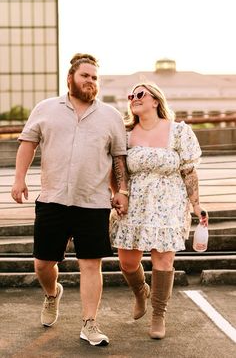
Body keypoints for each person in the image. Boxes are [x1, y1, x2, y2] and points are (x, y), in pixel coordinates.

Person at [11, 53, 129, 347]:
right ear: (70, 78)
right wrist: (19, 179)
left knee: (91, 264)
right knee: (42, 264)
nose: (90, 81)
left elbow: (118, 159)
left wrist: (121, 192)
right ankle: (53, 294)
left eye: (94, 77)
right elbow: (28, 144)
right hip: (52, 200)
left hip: (93, 203)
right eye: (85, 76)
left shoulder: (111, 116)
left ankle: (90, 323)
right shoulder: (46, 108)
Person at [110, 82, 208, 340]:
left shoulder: (179, 132)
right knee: (127, 261)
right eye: (131, 95)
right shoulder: (125, 133)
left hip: (169, 204)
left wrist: (196, 203)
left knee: (163, 260)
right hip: (135, 204)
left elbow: (188, 170)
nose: (134, 98)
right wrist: (118, 194)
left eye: (140, 93)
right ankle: (141, 291)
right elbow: (116, 168)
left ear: (156, 100)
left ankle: (158, 314)